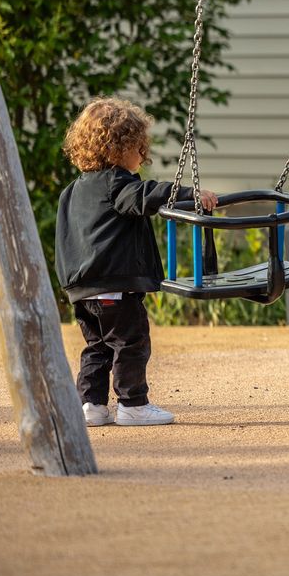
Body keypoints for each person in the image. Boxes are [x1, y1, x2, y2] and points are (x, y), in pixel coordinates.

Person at [55, 97, 218, 427]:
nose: (144, 155)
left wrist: (70, 283)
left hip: (82, 289)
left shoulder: (72, 191)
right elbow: (149, 196)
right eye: (139, 148)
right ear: (117, 148)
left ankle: (91, 405)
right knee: (131, 342)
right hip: (115, 285)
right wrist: (191, 193)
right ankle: (133, 404)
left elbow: (65, 238)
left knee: (97, 347)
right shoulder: (118, 184)